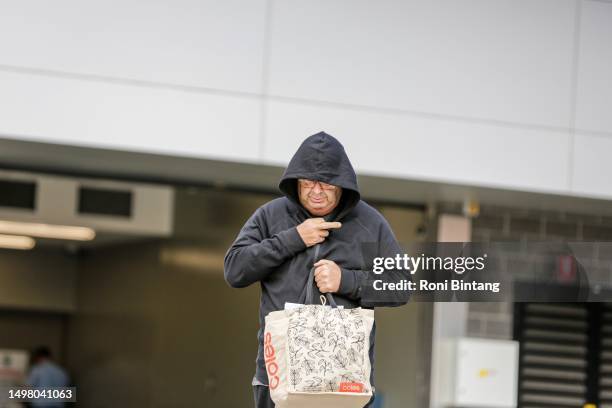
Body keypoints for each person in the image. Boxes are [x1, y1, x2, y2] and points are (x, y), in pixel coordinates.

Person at [224, 131, 409, 407]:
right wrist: (293, 239)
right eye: (308, 182)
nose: (317, 191)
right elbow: (235, 270)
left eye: (327, 183)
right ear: (296, 183)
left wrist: (346, 280)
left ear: (343, 185)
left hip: (344, 381)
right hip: (277, 379)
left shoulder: (370, 223)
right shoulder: (272, 216)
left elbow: (401, 285)